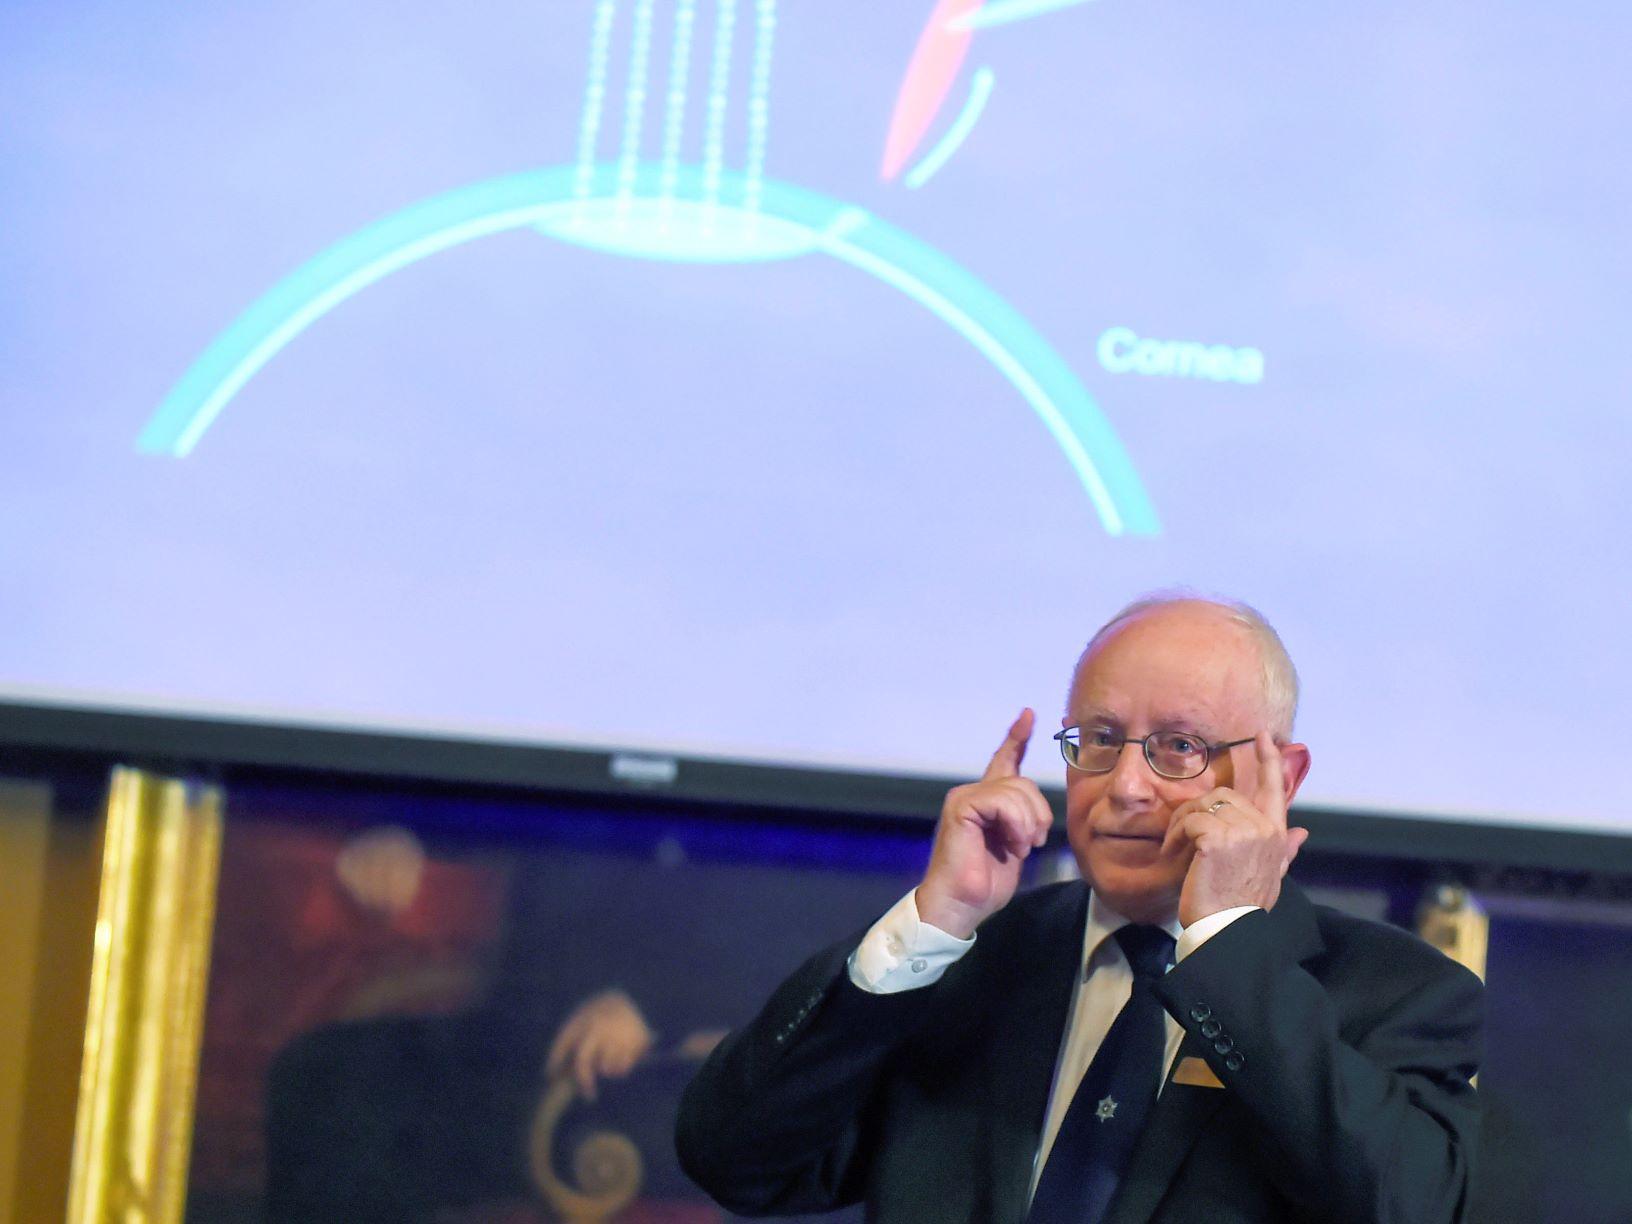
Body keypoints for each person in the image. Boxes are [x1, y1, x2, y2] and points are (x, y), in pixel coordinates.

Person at [675, 595, 1483, 1223]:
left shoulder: (1394, 995)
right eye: (1098, 738)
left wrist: (1227, 943)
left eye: (1179, 746)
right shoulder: (971, 960)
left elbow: (1407, 1207)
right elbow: (737, 1159)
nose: (1125, 786)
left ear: (1282, 778)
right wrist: (935, 918)